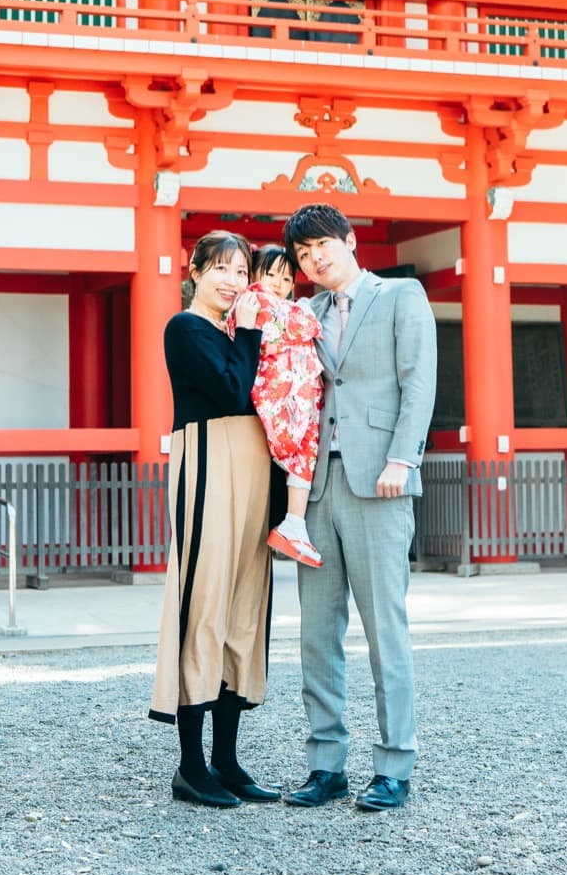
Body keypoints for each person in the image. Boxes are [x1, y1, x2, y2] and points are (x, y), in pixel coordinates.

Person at [280, 203, 436, 813]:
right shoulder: (304, 314)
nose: (313, 259)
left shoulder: (401, 296)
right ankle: (326, 764)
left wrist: (405, 458)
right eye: (301, 254)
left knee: (383, 630)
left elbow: (418, 381)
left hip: (381, 482)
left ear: (347, 240)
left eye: (321, 245)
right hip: (315, 490)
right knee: (317, 632)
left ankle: (395, 765)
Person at [148, 230, 281, 809]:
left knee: (244, 610)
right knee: (204, 603)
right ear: (196, 271)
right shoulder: (186, 329)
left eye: (241, 270)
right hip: (206, 462)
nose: (232, 281)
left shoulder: (238, 333)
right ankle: (190, 765)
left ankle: (227, 760)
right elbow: (232, 389)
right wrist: (250, 331)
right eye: (221, 269)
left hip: (254, 470)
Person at [228, 243, 324, 568]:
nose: (279, 284)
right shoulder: (254, 301)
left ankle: (294, 524)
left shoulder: (280, 305)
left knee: (306, 453)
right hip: (276, 390)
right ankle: (292, 523)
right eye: (271, 275)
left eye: (286, 279)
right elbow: (297, 327)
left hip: (296, 394)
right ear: (255, 274)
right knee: (299, 449)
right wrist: (309, 323)